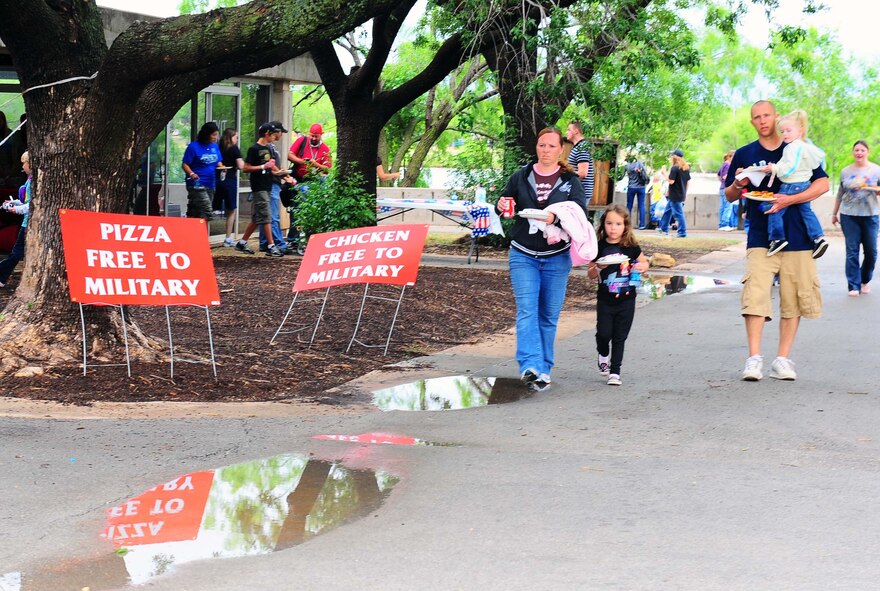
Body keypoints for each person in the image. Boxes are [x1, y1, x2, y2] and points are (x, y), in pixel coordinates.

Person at [724, 99, 829, 382]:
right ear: (752, 122)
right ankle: (754, 359)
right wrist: (739, 183)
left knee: (793, 298)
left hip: (799, 236)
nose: (762, 120)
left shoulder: (795, 145)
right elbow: (730, 195)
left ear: (776, 116)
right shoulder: (746, 153)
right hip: (761, 236)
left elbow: (823, 183)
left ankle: (782, 360)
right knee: (755, 294)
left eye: (767, 115)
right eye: (757, 117)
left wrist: (791, 199)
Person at [495, 127, 586, 392]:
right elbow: (503, 204)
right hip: (523, 253)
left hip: (557, 258)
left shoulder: (570, 181)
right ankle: (529, 365)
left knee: (548, 315)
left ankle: (544, 369)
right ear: (536, 147)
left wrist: (555, 219)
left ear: (560, 150)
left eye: (551, 146)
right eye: (541, 145)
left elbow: (581, 216)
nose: (545, 150)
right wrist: (500, 206)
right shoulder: (521, 176)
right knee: (527, 309)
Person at [588, 204, 649, 386]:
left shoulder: (630, 247)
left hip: (627, 299)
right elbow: (590, 273)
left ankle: (615, 372)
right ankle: (603, 353)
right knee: (604, 334)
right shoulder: (598, 247)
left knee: (620, 336)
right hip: (605, 300)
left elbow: (644, 262)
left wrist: (642, 267)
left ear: (625, 226)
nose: (613, 228)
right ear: (603, 225)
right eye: (609, 223)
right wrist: (598, 267)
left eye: (617, 224)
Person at [756, 110, 828, 258]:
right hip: (803, 184)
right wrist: (774, 167)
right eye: (782, 131)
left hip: (791, 185)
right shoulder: (803, 146)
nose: (785, 134)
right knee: (806, 212)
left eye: (789, 130)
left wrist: (774, 168)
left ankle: (777, 238)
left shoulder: (793, 147)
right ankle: (818, 238)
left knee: (774, 208)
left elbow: (791, 167)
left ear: (800, 130)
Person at [831, 140, 880, 297]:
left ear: (868, 152)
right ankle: (853, 285)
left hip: (870, 215)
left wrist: (873, 189)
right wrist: (834, 213)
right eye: (856, 150)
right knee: (852, 251)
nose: (859, 153)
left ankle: (864, 279)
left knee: (871, 251)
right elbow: (840, 193)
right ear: (853, 152)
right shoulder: (846, 171)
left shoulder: (876, 170)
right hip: (849, 214)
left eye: (862, 150)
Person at [233, 124, 285, 257]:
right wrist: (263, 166)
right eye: (273, 134)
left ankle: (242, 242)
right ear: (267, 133)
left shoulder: (267, 149)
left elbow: (271, 166)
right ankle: (271, 246)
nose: (274, 137)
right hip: (259, 187)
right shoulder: (254, 149)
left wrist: (282, 173)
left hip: (267, 185)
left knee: (257, 218)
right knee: (266, 217)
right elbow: (246, 168)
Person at [259, 121, 295, 253]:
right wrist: (285, 176)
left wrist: (283, 173)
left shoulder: (272, 146)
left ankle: (264, 242)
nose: (281, 135)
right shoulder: (267, 146)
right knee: (273, 216)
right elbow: (270, 164)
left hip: (273, 182)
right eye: (281, 133)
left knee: (265, 216)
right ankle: (279, 243)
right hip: (271, 183)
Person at [0, 151, 31, 288]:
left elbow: (32, 204)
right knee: (17, 252)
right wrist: (15, 203)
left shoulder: (33, 182)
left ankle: (1, 275)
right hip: (26, 221)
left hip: (29, 223)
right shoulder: (28, 180)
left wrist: (17, 209)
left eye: (24, 163)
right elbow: (26, 201)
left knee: (17, 252)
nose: (22, 166)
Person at [181, 121, 221, 221]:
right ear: (207, 134)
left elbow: (218, 162)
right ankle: (204, 235)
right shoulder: (193, 147)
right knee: (207, 211)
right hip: (197, 183)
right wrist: (191, 173)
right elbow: (185, 164)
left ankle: (193, 233)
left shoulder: (215, 146)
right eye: (213, 135)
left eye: (216, 135)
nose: (215, 137)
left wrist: (224, 168)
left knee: (197, 211)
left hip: (210, 183)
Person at [215, 128, 245, 247]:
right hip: (230, 179)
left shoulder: (218, 148)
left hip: (217, 179)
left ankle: (204, 234)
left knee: (212, 207)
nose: (237, 140)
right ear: (231, 137)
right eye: (236, 137)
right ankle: (228, 237)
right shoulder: (234, 149)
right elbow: (241, 165)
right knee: (231, 209)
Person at [657, 149, 690, 237]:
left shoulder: (674, 168)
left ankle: (682, 232)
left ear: (675, 157)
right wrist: (685, 193)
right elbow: (687, 182)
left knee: (678, 214)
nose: (671, 157)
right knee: (668, 211)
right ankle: (663, 228)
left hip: (675, 195)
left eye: (672, 155)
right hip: (679, 194)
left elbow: (671, 181)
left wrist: (664, 173)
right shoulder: (685, 168)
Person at [565, 121, 595, 204]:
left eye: (568, 129)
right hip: (577, 192)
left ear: (576, 131)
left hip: (580, 194)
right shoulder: (579, 147)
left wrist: (565, 173)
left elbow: (582, 173)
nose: (566, 132)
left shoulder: (582, 148)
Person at [623, 155, 649, 229]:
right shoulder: (639, 164)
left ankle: (627, 224)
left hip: (631, 187)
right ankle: (642, 225)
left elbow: (621, 176)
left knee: (629, 205)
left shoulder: (626, 166)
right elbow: (645, 175)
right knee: (641, 205)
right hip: (641, 187)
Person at [717, 150, 736, 231]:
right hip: (726, 188)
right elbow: (725, 176)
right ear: (731, 157)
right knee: (728, 206)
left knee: (722, 206)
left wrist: (722, 182)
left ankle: (721, 224)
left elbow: (718, 176)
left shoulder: (723, 164)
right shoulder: (728, 165)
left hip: (722, 188)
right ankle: (725, 224)